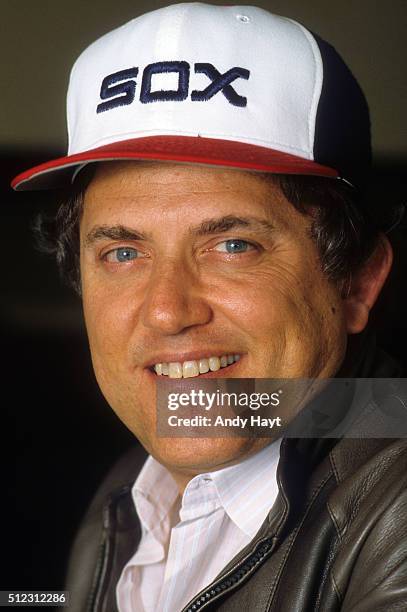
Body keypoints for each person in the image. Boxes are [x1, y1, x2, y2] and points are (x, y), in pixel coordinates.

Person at [12, 3, 407, 611]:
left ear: (356, 280)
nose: (168, 312)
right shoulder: (127, 495)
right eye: (123, 252)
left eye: (232, 245)